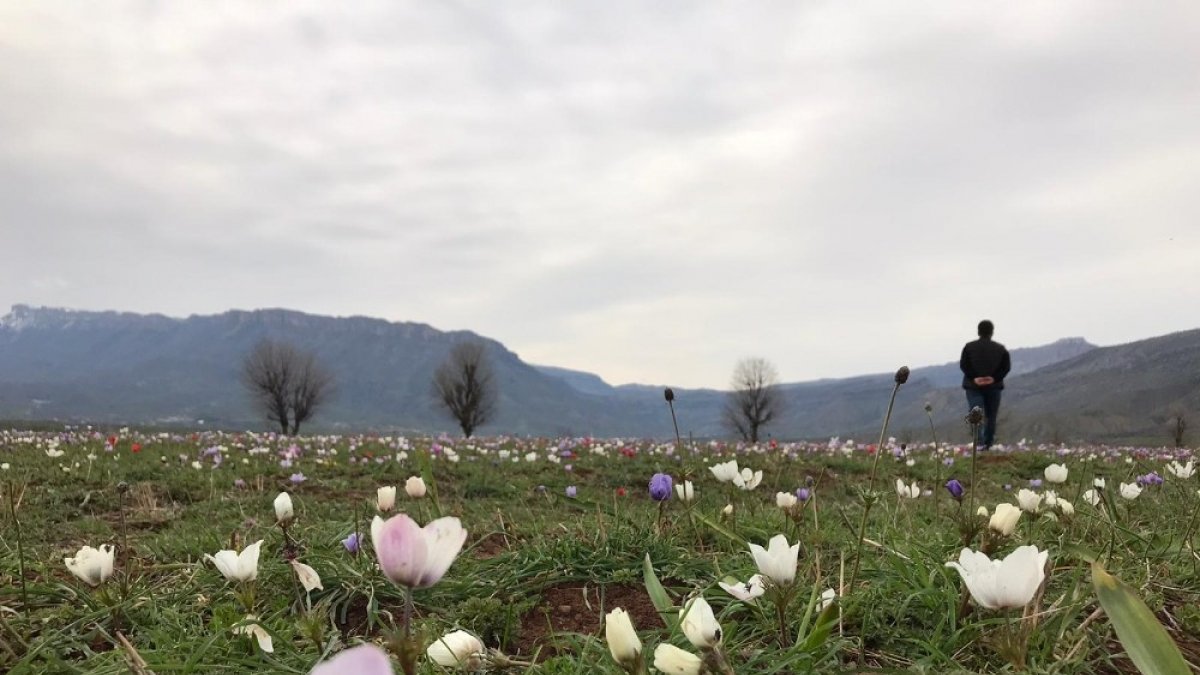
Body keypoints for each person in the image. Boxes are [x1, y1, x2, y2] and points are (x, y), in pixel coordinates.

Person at [959, 320, 1011, 449]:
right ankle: (988, 444)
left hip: (973, 387)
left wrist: (975, 378)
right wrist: (993, 378)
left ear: (978, 331)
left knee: (975, 415)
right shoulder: (1000, 349)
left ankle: (979, 443)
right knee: (991, 416)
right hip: (993, 387)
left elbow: (964, 365)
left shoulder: (969, 347)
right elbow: (1006, 367)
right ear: (992, 332)